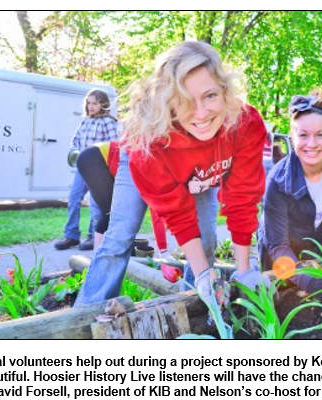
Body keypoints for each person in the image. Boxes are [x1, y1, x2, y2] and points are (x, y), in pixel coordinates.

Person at [74, 40, 268, 306]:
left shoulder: (244, 124)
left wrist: (244, 270)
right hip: (146, 159)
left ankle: (196, 302)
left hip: (200, 173)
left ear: (225, 91)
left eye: (210, 95)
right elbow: (177, 213)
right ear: (168, 102)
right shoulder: (150, 139)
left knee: (208, 238)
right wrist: (204, 273)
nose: (200, 113)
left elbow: (242, 198)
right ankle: (86, 313)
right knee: (120, 236)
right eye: (184, 101)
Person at [258, 90, 322, 303]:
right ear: (293, 138)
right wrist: (313, 284)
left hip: (319, 243)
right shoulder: (278, 180)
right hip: (280, 252)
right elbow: (278, 245)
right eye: (303, 135)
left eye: (320, 135)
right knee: (284, 300)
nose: (311, 144)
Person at [76, 140, 169, 255]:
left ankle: (106, 254)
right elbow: (156, 214)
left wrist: (163, 249)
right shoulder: (156, 170)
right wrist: (164, 251)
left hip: (100, 159)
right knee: (109, 213)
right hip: (93, 157)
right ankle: (97, 257)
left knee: (115, 214)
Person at [54, 89, 118, 251]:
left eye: (94, 103)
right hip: (82, 168)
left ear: (103, 104)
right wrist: (74, 151)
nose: (91, 106)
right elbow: (75, 140)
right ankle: (71, 236)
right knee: (73, 198)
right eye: (88, 103)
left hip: (98, 170)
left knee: (95, 205)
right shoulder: (85, 121)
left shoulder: (108, 122)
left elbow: (114, 145)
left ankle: (92, 236)